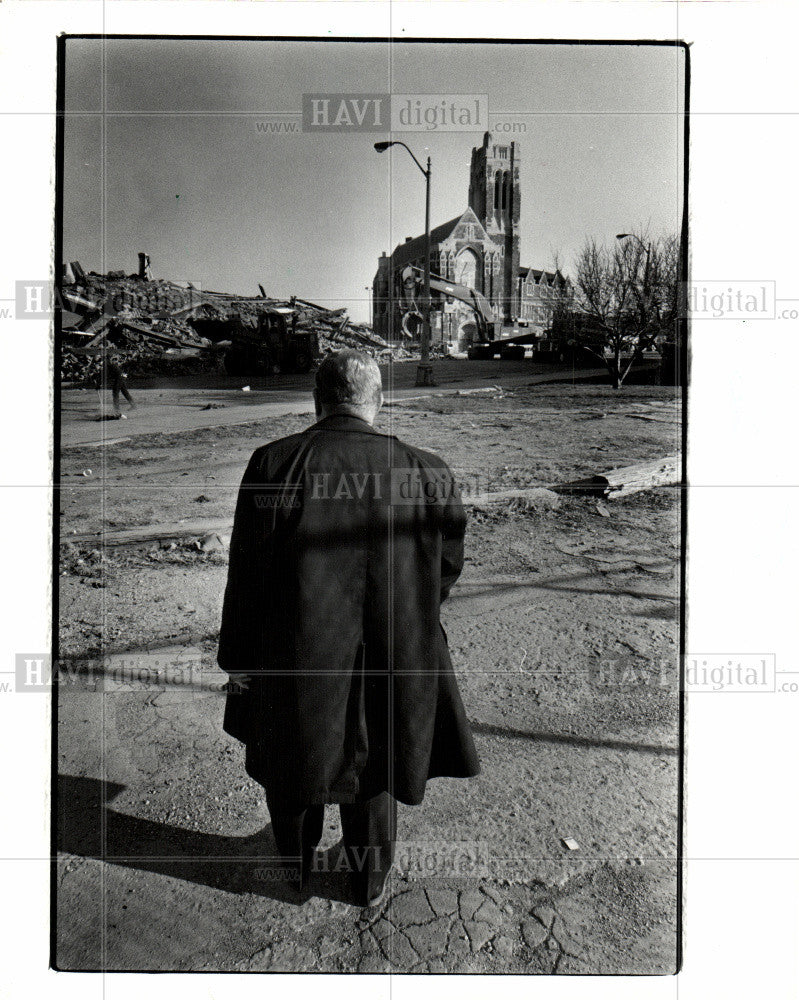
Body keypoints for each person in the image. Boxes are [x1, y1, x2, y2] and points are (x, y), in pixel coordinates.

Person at [218, 350, 479, 906]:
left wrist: (239, 662)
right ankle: (369, 880)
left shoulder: (273, 464)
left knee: (294, 758)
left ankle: (296, 872)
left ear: (317, 401)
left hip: (298, 654)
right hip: (398, 649)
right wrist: (412, 611)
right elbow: (447, 565)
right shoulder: (428, 471)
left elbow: (247, 574)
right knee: (379, 759)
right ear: (378, 404)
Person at [96, 351, 135, 417]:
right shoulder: (109, 363)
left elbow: (105, 375)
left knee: (115, 393)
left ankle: (117, 410)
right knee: (124, 392)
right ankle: (133, 405)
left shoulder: (106, 363)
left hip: (118, 377)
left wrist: (99, 383)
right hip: (120, 376)